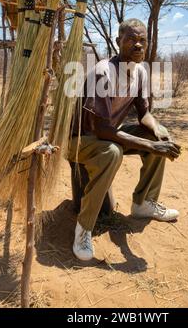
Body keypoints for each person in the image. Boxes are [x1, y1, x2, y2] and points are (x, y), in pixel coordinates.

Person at [68, 18, 181, 261]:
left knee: (158, 133)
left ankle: (143, 203)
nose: (138, 45)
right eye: (131, 39)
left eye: (142, 40)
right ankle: (84, 228)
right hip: (81, 141)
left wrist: (157, 132)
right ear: (119, 42)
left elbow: (145, 114)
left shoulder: (140, 72)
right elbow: (104, 130)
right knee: (112, 152)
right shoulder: (103, 72)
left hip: (107, 135)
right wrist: (152, 146)